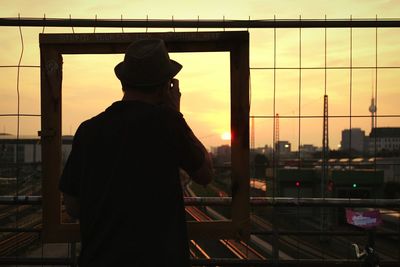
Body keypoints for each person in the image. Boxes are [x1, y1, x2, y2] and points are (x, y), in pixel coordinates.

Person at [59, 39, 213, 267]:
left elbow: (72, 205)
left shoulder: (88, 129)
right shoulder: (168, 123)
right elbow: (205, 173)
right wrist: (176, 114)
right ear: (165, 86)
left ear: (124, 82)